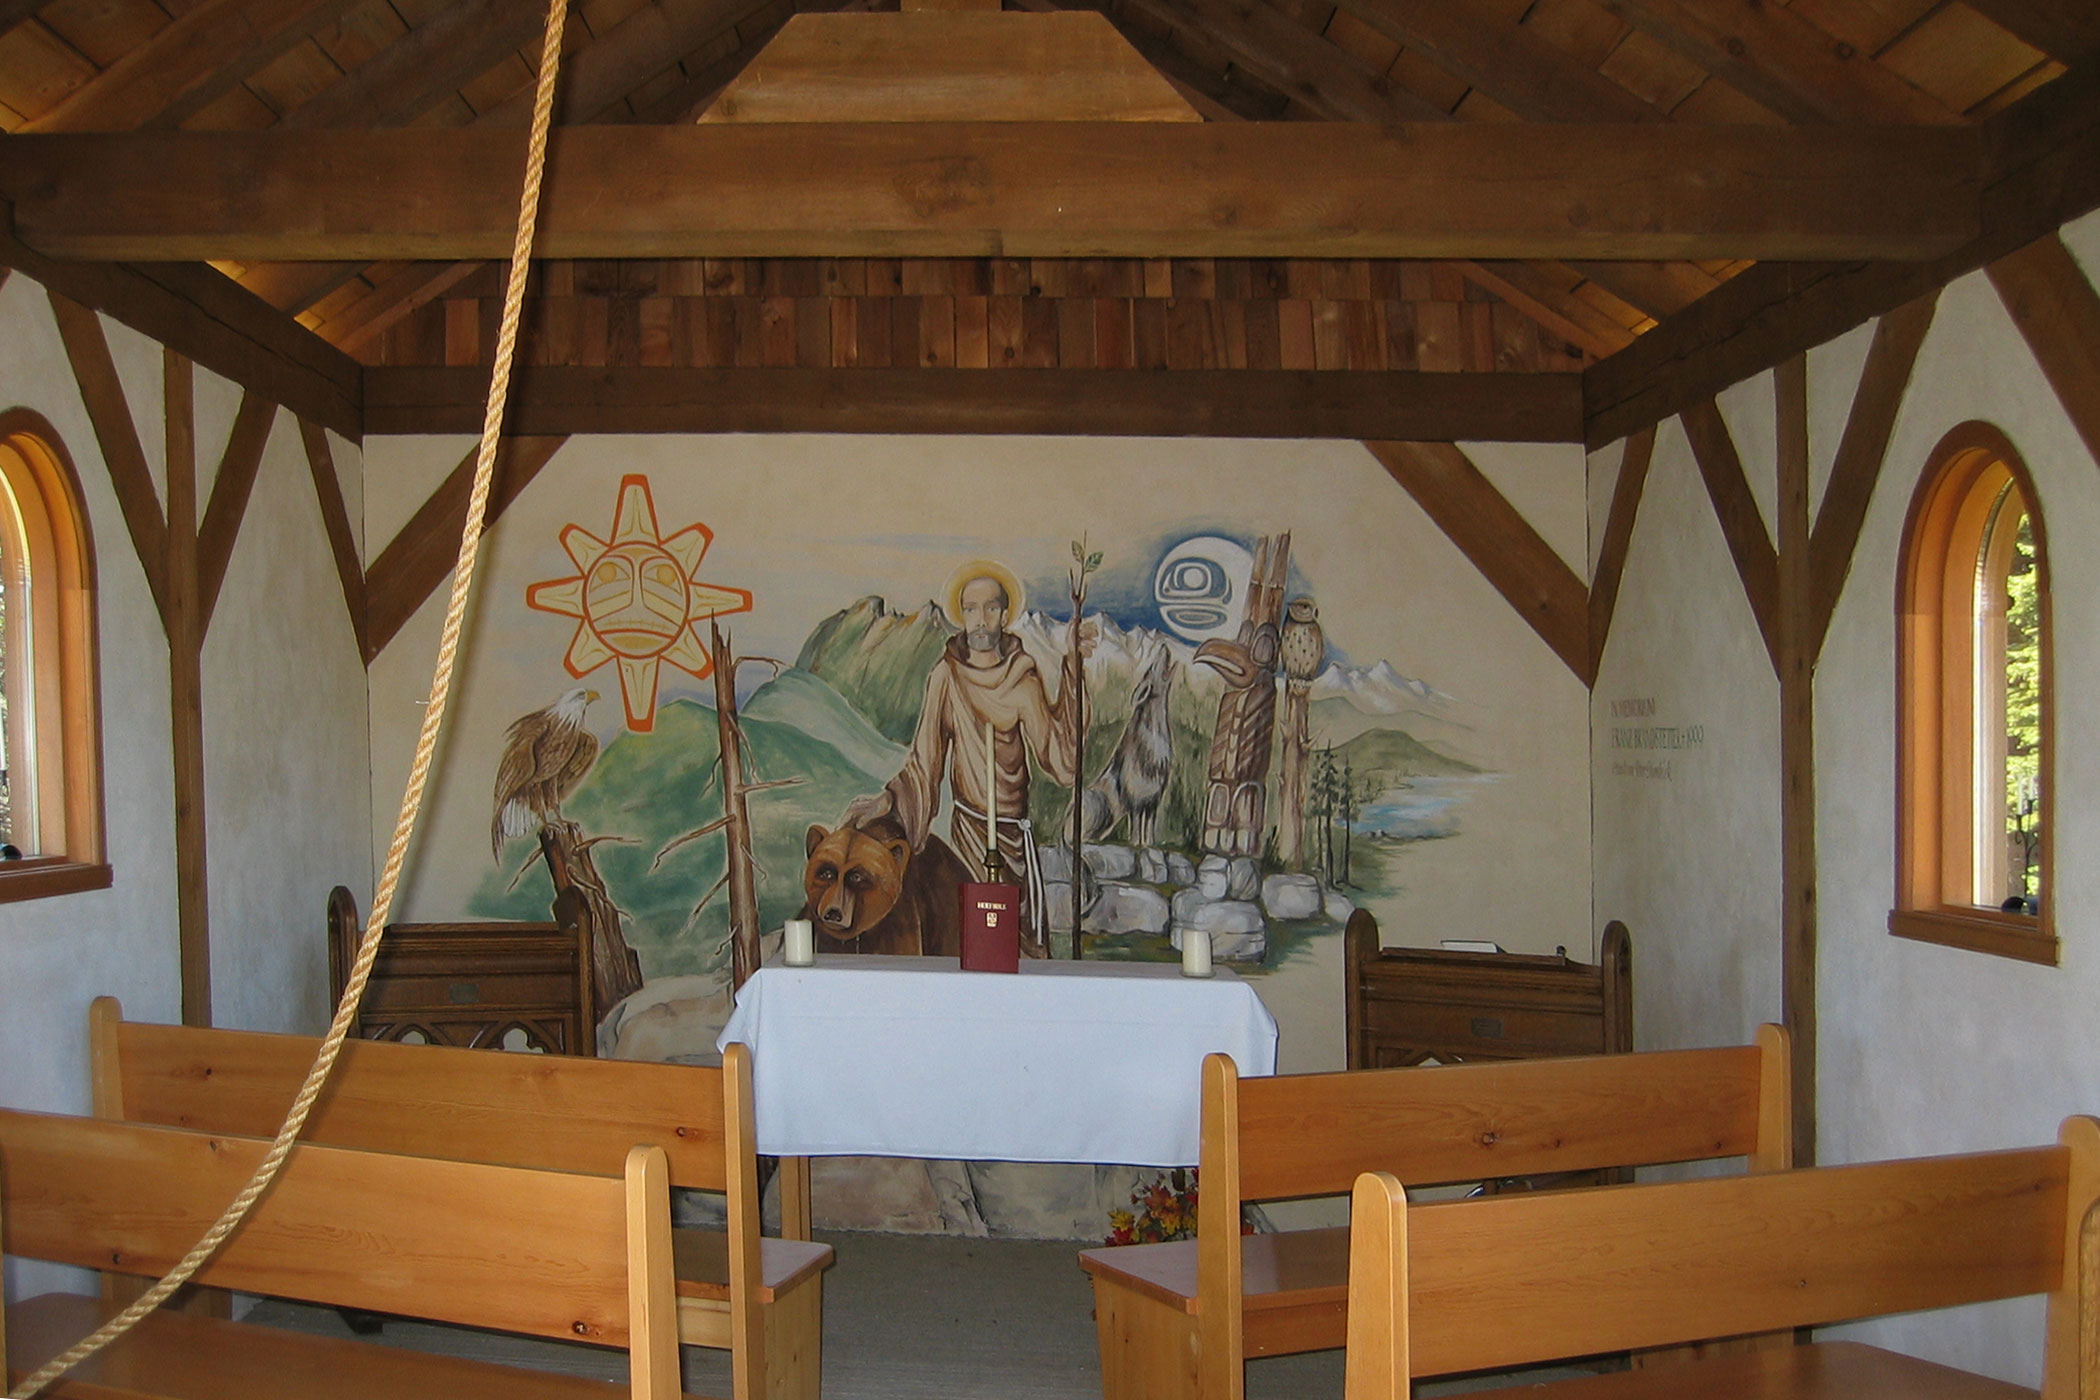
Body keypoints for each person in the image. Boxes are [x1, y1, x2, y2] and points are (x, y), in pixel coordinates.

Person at [844, 561, 1083, 950]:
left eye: (990, 608)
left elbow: (1060, 761)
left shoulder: (1022, 682)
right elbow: (924, 764)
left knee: (1017, 945)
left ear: (1005, 615)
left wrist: (1073, 673)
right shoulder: (946, 676)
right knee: (970, 935)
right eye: (970, 609)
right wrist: (887, 802)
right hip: (967, 836)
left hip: (1013, 838)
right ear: (960, 616)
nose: (980, 620)